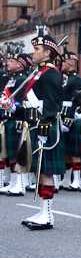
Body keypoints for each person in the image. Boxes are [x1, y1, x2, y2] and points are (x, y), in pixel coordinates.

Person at [2, 27, 65, 229]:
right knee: (38, 171)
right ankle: (42, 212)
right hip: (33, 126)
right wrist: (13, 108)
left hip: (43, 128)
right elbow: (30, 106)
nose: (33, 52)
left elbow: (52, 105)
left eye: (37, 48)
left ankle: (47, 215)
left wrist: (45, 130)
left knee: (45, 171)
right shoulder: (38, 73)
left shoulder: (51, 73)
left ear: (48, 52)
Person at [0, 51, 30, 195]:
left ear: (19, 64)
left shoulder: (22, 79)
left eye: (10, 61)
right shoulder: (13, 79)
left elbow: (23, 102)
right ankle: (13, 182)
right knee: (10, 153)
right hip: (8, 117)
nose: (7, 63)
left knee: (17, 153)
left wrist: (12, 106)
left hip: (17, 119)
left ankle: (20, 184)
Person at [59, 47, 81, 191]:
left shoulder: (76, 80)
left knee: (75, 152)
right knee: (66, 150)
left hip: (72, 117)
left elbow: (77, 101)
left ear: (71, 63)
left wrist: (69, 120)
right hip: (63, 114)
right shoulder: (65, 78)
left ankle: (77, 180)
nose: (62, 64)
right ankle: (67, 179)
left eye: (64, 62)